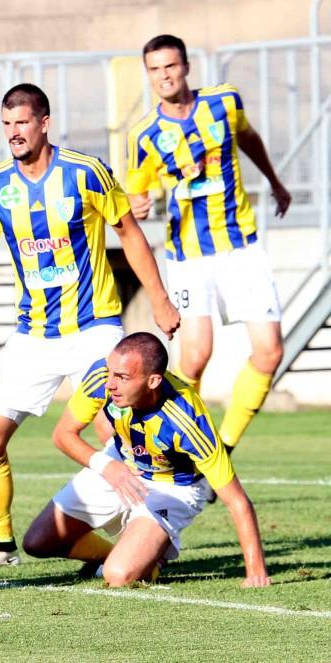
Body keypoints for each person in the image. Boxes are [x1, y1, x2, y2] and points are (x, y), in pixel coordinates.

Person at [0, 83, 181, 570]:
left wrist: (158, 298)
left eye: (22, 123)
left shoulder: (85, 172)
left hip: (93, 327)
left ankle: (149, 534)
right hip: (32, 334)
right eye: (6, 124)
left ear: (44, 122)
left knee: (109, 428)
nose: (14, 132)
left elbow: (129, 234)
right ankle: (1, 547)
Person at [126, 34, 291, 452]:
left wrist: (274, 181)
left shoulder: (225, 102)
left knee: (269, 352)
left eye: (170, 66)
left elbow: (248, 139)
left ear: (185, 67)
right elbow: (135, 195)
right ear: (148, 75)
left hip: (241, 246)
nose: (164, 75)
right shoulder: (144, 134)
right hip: (188, 256)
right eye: (155, 69)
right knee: (196, 356)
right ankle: (180, 446)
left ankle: (223, 445)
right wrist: (139, 204)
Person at [21, 332, 270, 588]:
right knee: (37, 542)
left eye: (122, 377)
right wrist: (108, 467)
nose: (110, 384)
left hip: (173, 487)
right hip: (118, 462)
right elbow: (63, 434)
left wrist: (255, 572)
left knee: (117, 576)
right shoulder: (101, 377)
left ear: (153, 381)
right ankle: (122, 556)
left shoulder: (188, 421)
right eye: (110, 372)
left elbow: (237, 501)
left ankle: (152, 558)